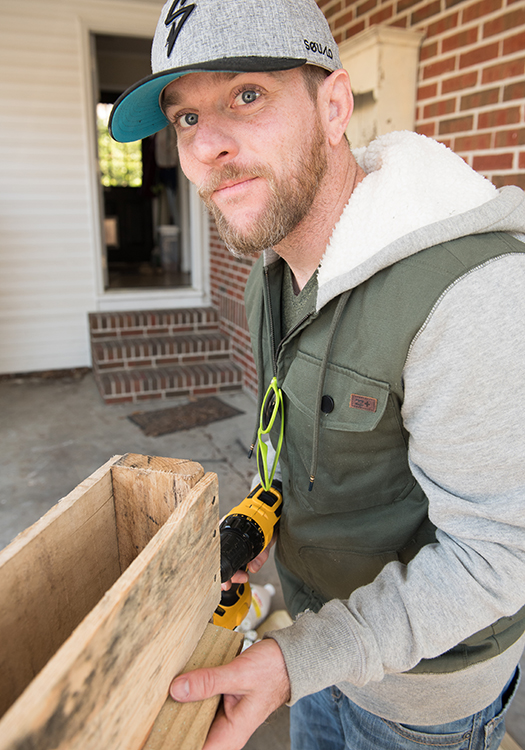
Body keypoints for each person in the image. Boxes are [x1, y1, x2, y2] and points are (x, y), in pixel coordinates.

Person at [110, 1, 525, 748]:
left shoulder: (474, 292)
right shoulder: (267, 276)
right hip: (312, 652)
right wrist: (260, 518)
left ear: (333, 105)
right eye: (185, 118)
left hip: (421, 703)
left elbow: (499, 556)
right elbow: (296, 440)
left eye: (245, 95)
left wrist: (296, 658)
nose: (207, 147)